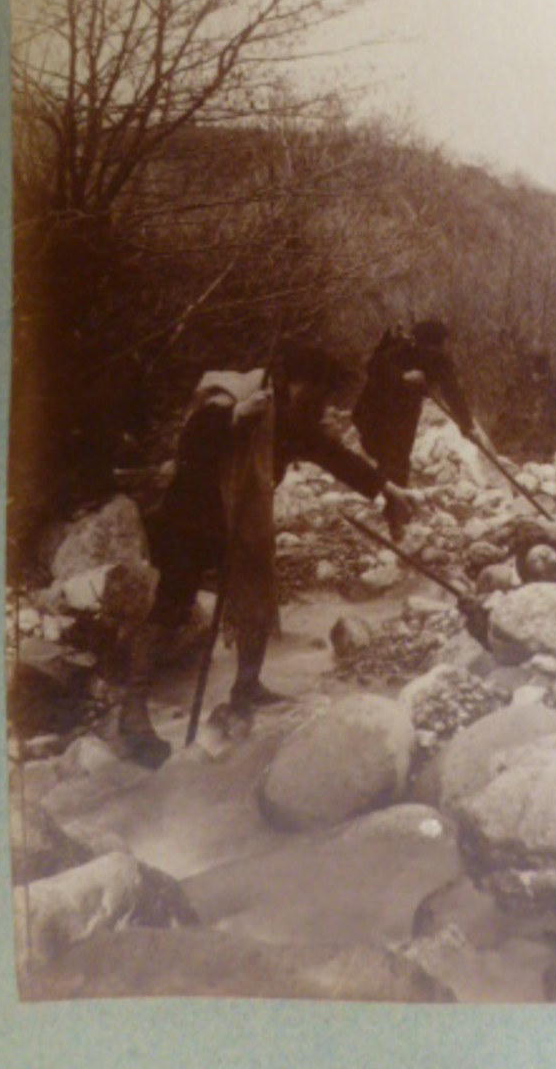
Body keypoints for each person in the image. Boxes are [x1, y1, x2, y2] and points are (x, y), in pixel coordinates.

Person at [118, 340, 413, 768]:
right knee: (173, 606)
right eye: (318, 395)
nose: (323, 407)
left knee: (256, 597)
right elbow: (194, 440)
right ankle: (133, 709)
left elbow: (334, 455)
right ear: (297, 384)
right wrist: (234, 420)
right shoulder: (237, 397)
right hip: (190, 519)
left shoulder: (293, 418)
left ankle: (247, 687)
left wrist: (386, 488)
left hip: (240, 522)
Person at [352, 319, 477, 486]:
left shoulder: (440, 360)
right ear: (418, 343)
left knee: (399, 458)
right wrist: (402, 377)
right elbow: (374, 366)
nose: (433, 351)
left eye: (437, 347)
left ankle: (396, 500)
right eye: (429, 347)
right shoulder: (401, 351)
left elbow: (453, 392)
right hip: (378, 403)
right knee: (378, 448)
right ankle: (383, 482)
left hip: (407, 409)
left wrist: (466, 424)